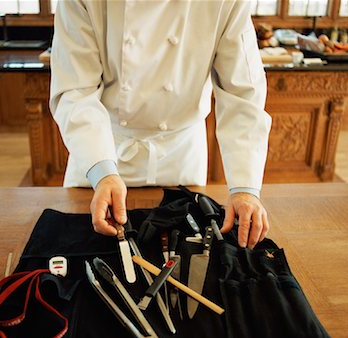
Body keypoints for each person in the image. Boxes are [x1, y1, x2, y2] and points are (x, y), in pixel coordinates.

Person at [50, 0, 272, 249]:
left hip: (180, 157)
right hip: (101, 147)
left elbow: (243, 95)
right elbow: (76, 91)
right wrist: (102, 173)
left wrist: (245, 188)